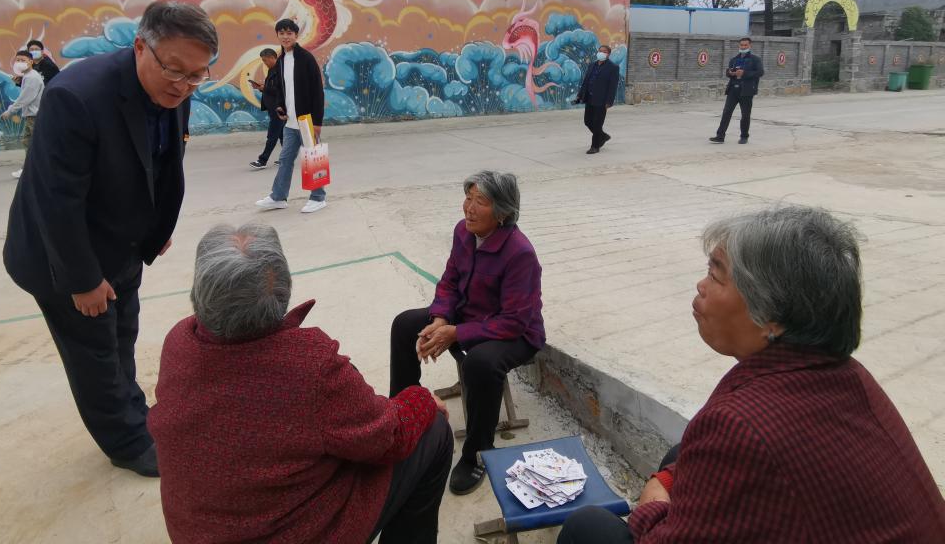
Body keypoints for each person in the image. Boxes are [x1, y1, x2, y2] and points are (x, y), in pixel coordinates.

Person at [557, 205, 945, 544]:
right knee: (679, 457)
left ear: (773, 318)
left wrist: (652, 505)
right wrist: (671, 479)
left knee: (589, 527)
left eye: (717, 275)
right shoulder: (845, 374)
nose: (700, 285)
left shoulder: (743, 424)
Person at [3, 0, 217, 477]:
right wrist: (82, 280)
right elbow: (56, 201)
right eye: (174, 71)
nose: (183, 85)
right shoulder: (76, 97)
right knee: (95, 353)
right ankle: (128, 443)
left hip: (122, 244)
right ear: (140, 47)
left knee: (122, 336)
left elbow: (160, 164)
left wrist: (156, 229)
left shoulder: (174, 90)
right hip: (64, 256)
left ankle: (135, 415)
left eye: (196, 75)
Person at [150, 222, 453, 544]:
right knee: (433, 429)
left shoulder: (179, 341)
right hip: (293, 533)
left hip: (195, 531)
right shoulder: (308, 364)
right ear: (282, 291)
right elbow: (389, 437)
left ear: (201, 293)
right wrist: (420, 399)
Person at [390, 170, 545, 495]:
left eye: (481, 202)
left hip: (515, 333)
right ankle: (403, 418)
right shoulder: (463, 231)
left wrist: (456, 333)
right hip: (468, 314)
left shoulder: (520, 253)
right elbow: (449, 281)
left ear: (502, 212)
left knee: (480, 363)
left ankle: (477, 453)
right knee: (405, 325)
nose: (469, 208)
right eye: (468, 198)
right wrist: (439, 319)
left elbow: (514, 321)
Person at [255, 19, 327, 214]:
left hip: (307, 120)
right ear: (277, 35)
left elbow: (318, 92)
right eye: (282, 33)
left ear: (296, 35)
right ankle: (278, 197)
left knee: (313, 159)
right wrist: (280, 106)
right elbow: (281, 88)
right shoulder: (280, 61)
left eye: (289, 33)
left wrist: (317, 122)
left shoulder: (306, 59)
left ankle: (318, 197)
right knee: (285, 159)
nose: (285, 37)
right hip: (290, 122)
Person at [710, 36, 763, 145]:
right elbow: (728, 72)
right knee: (726, 112)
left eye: (745, 45)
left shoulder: (755, 59)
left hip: (746, 91)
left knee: (745, 114)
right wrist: (731, 73)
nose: (743, 47)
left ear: (750, 45)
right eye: (741, 45)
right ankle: (720, 136)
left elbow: (760, 72)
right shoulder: (734, 59)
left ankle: (744, 136)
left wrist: (744, 73)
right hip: (733, 89)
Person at [1, 49, 45, 179]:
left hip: (34, 116)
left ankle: (29, 170)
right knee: (30, 143)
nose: (19, 62)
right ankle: (30, 169)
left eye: (23, 60)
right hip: (32, 115)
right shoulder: (28, 76)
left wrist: (10, 111)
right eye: (17, 60)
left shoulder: (31, 77)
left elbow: (25, 98)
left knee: (32, 144)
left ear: (30, 61)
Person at [574, 44, 619, 154]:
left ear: (608, 54)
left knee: (598, 123)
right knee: (587, 121)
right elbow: (586, 81)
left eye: (604, 51)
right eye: (600, 51)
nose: (601, 53)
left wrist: (609, 101)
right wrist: (580, 95)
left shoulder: (613, 68)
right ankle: (603, 136)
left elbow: (613, 86)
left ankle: (595, 146)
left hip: (602, 100)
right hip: (589, 98)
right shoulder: (592, 65)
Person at [247, 47, 283, 170]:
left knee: (272, 135)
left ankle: (262, 160)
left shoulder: (280, 71)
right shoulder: (272, 70)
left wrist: (264, 88)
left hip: (279, 108)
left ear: (272, 58)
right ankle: (286, 158)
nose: (264, 63)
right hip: (273, 108)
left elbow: (281, 91)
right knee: (282, 134)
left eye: (265, 60)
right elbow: (272, 88)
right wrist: (261, 87)